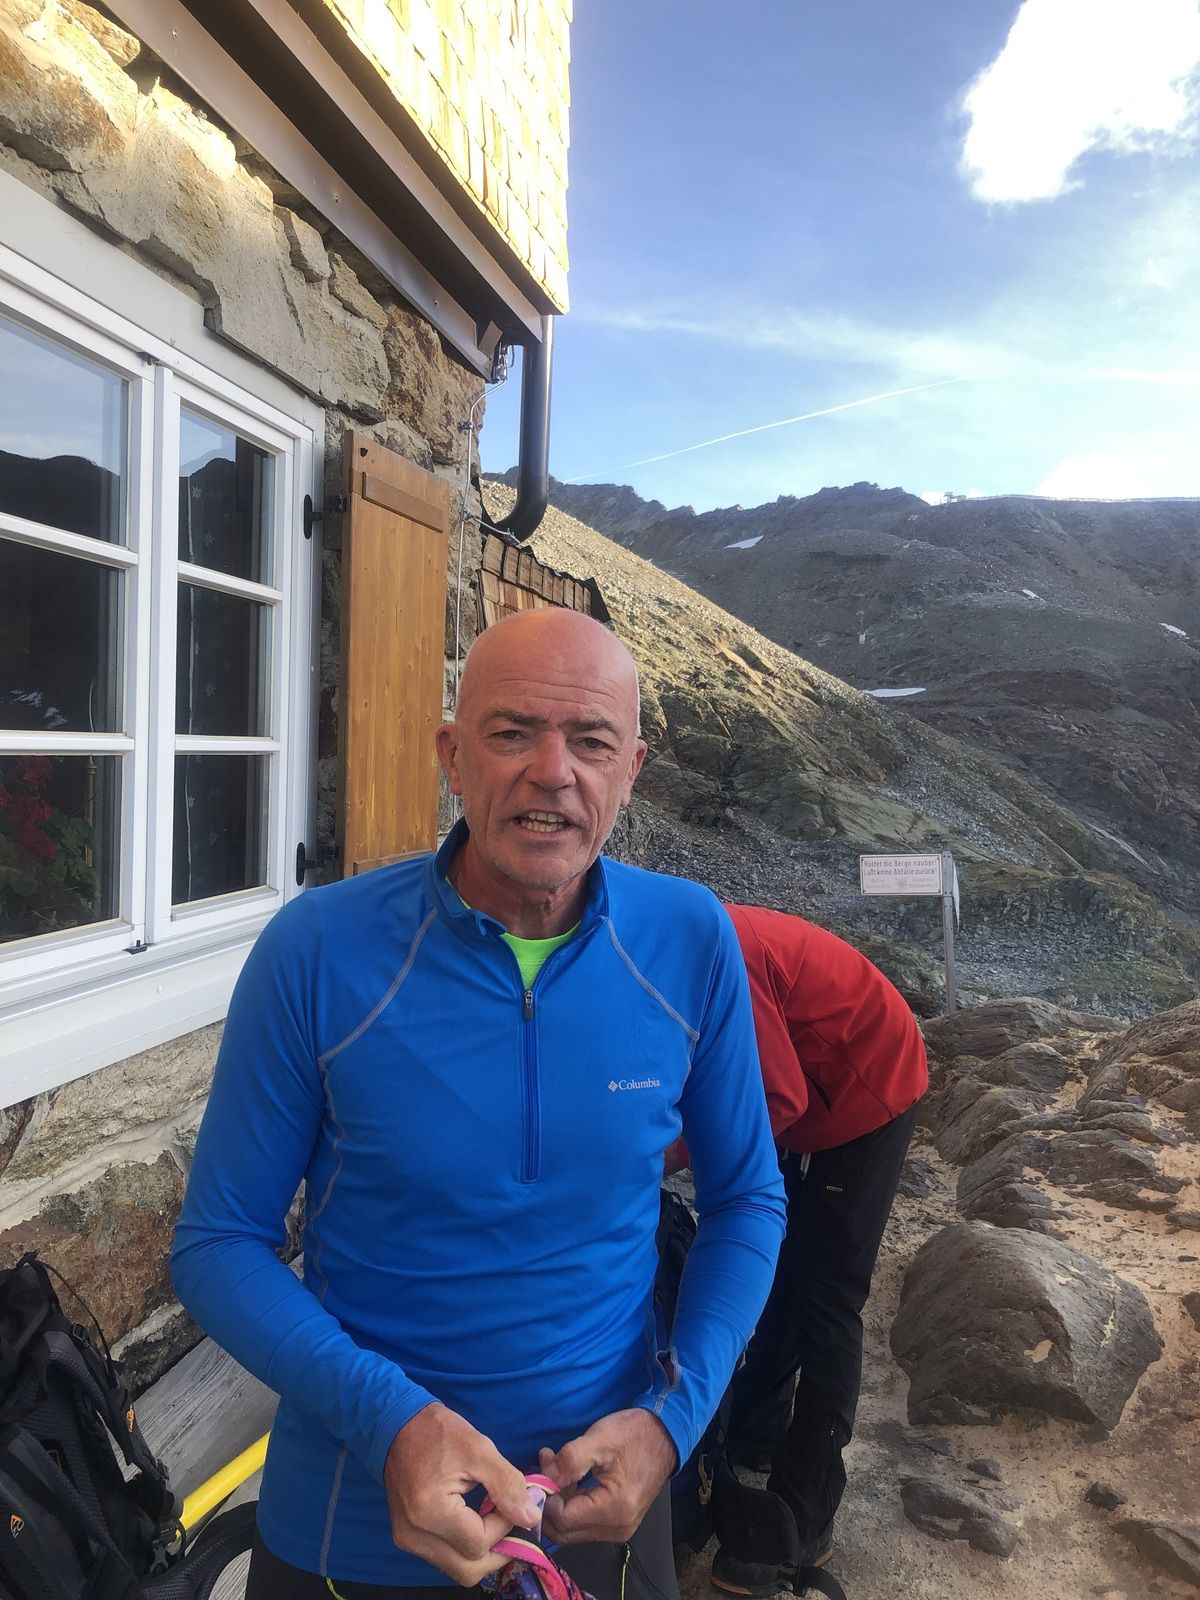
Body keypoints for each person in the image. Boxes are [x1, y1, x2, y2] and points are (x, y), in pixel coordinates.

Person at [170, 608, 786, 1600]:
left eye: (591, 741)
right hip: (355, 1529)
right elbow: (217, 1242)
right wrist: (392, 1423)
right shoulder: (318, 949)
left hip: (603, 1508)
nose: (554, 772)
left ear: (632, 769)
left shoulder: (689, 938)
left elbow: (747, 1199)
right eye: (513, 732)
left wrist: (674, 1422)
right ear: (452, 756)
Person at [668, 904, 927, 1596]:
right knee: (777, 1267)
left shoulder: (715, 955)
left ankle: (807, 1508)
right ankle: (755, 1434)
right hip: (805, 1081)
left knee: (828, 1293)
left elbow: (774, 1102)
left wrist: (666, 1158)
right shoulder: (655, 959)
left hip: (867, 1083)